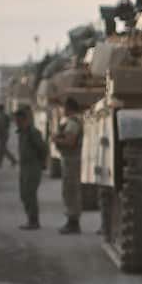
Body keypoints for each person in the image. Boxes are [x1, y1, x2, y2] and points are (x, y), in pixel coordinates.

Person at [54, 98, 84, 234]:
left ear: (68, 108)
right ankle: (72, 221)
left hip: (71, 160)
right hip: (71, 159)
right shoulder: (75, 121)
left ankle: (73, 222)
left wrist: (56, 139)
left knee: (70, 190)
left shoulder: (72, 122)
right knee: (70, 190)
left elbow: (70, 142)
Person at [15, 106, 47, 230]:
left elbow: (43, 148)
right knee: (24, 194)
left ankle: (34, 221)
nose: (17, 123)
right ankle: (30, 218)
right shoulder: (22, 133)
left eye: (19, 121)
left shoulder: (33, 133)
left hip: (32, 167)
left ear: (24, 120)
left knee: (30, 194)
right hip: (24, 167)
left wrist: (42, 162)